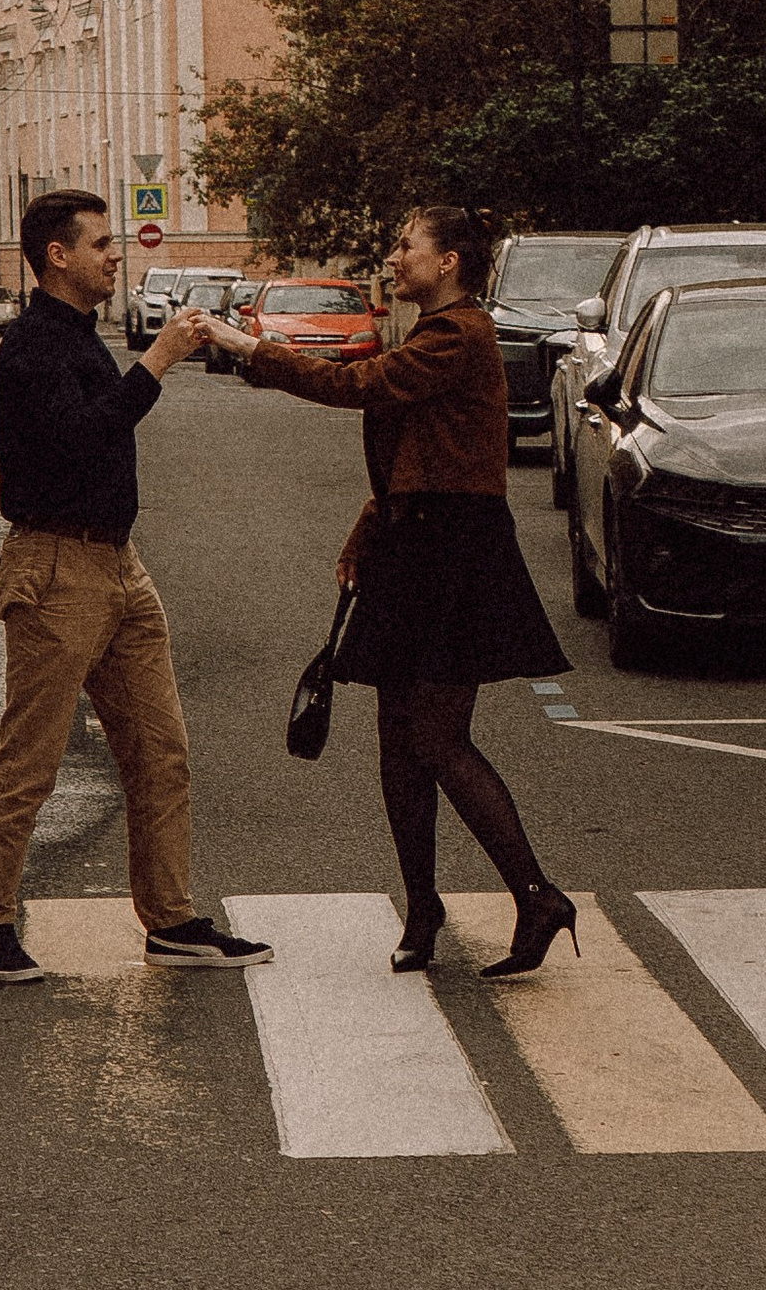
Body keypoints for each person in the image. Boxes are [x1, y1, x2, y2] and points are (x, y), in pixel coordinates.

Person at [203, 203, 577, 979]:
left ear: (447, 264)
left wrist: (250, 347)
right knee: (396, 742)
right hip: (414, 542)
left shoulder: (460, 335)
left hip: (455, 552)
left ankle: (538, 896)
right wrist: (370, 526)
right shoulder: (434, 333)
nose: (395, 256)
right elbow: (425, 450)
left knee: (438, 738)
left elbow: (359, 385)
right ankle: (423, 908)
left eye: (408, 245)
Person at [0, 189, 273, 983]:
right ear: (57, 256)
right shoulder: (33, 346)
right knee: (30, 758)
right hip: (57, 567)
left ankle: (169, 919)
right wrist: (159, 361)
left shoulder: (78, 336)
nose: (115, 255)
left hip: (118, 567)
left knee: (160, 749)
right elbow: (81, 439)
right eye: (100, 244)